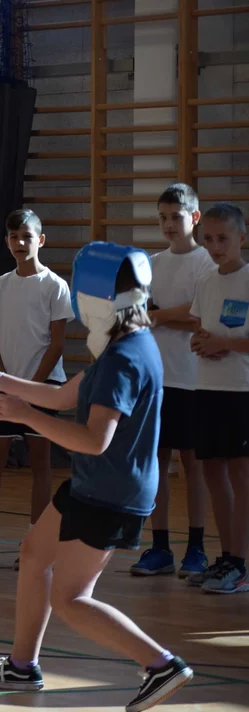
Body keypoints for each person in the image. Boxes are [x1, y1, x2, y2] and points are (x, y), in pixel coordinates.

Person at [0, 242, 193, 712]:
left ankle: (161, 664)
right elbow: (65, 395)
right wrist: (3, 381)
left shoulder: (123, 358)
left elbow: (94, 440)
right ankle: (22, 665)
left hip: (110, 490)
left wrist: (26, 416)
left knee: (70, 598)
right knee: (35, 553)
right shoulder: (125, 343)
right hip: (96, 483)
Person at [0, 210, 74, 569]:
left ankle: (36, 543)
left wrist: (30, 387)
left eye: (27, 236)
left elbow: (56, 344)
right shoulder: (1, 285)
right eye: (14, 237)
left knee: (40, 462)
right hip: (7, 388)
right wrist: (3, 381)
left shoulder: (55, 286)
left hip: (43, 386)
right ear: (6, 241)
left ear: (41, 240)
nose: (20, 242)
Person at [131, 184, 214, 578]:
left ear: (194, 217)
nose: (168, 224)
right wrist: (165, 316)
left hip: (193, 379)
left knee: (193, 465)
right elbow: (139, 313)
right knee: (157, 464)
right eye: (162, 217)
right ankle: (160, 546)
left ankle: (196, 547)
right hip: (157, 378)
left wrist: (160, 316)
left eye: (176, 217)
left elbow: (200, 316)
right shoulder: (152, 263)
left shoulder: (206, 262)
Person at [188, 203, 249, 594]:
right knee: (212, 472)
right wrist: (200, 342)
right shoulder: (206, 281)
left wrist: (226, 343)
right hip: (207, 389)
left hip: (242, 391)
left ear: (241, 237)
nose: (214, 246)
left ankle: (241, 564)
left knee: (241, 475)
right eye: (208, 239)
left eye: (222, 238)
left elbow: (229, 339)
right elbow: (200, 329)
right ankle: (226, 557)